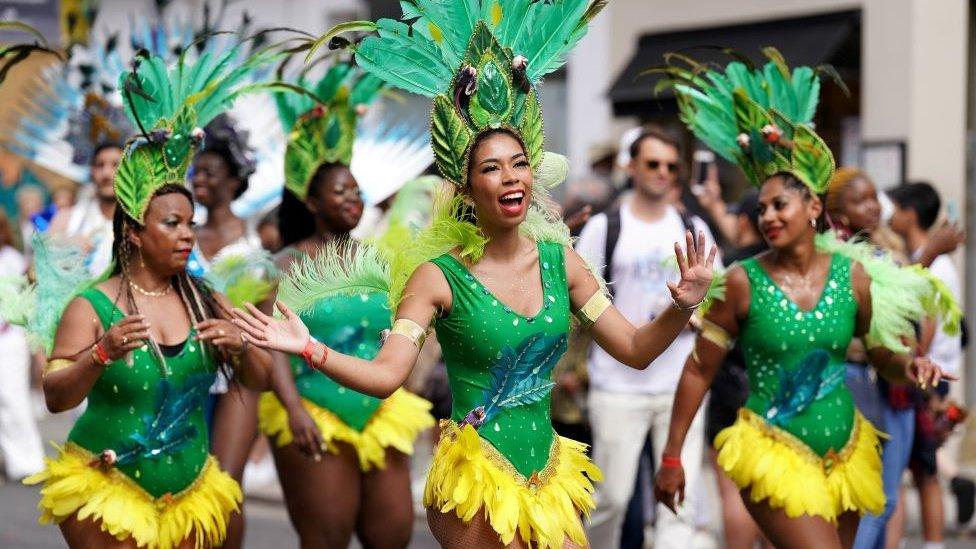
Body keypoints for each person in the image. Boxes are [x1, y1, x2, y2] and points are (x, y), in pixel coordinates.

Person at [232, 4, 717, 548]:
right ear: (466, 189)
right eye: (491, 168)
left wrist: (680, 307)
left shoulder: (563, 263)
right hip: (475, 482)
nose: (509, 177)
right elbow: (388, 375)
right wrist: (309, 349)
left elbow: (633, 348)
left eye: (518, 163)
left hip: (550, 477)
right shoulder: (437, 278)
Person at [652, 50, 958, 549]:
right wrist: (671, 457)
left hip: (847, 453)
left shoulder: (853, 275)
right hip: (772, 450)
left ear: (814, 208)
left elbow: (879, 354)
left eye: (781, 204)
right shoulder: (742, 282)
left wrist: (912, 366)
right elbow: (699, 369)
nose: (768, 216)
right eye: (763, 207)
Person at [21, 46, 275, 549]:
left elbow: (261, 379)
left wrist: (242, 347)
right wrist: (100, 354)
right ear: (135, 232)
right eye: (172, 224)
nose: (187, 236)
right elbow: (55, 396)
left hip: (191, 493)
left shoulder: (206, 299)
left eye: (191, 225)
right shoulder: (91, 305)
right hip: (106, 491)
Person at [254, 62, 434, 548]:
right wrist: (293, 410)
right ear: (312, 203)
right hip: (314, 409)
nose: (353, 200)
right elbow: (273, 342)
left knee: (391, 535)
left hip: (379, 409)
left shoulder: (375, 258)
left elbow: (403, 324)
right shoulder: (289, 263)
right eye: (340, 192)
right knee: (326, 538)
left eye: (356, 191)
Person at [577, 127, 722, 549]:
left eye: (672, 166)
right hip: (617, 383)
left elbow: (718, 292)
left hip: (680, 380)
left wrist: (695, 314)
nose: (663, 172)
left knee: (680, 501)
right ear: (632, 165)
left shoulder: (693, 226)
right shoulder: (607, 225)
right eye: (653, 163)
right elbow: (580, 299)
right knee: (613, 500)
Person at [189, 113, 266, 549]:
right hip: (191, 368)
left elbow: (264, 319)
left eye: (211, 173)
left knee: (224, 487)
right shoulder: (183, 233)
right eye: (197, 171)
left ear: (234, 180)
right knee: (191, 480)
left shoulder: (257, 242)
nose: (200, 180)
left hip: (238, 373)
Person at [887, 181, 965, 549]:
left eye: (894, 208)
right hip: (927, 374)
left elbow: (927, 324)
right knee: (919, 469)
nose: (888, 215)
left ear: (909, 215)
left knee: (922, 471)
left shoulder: (933, 262)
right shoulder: (919, 255)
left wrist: (916, 361)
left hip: (927, 376)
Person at [703, 189, 770, 549]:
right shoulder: (783, 266)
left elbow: (707, 327)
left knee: (732, 491)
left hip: (730, 386)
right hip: (773, 389)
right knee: (775, 489)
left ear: (744, 222)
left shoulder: (732, 268)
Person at [0, 210, 45, 481]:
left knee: (13, 399)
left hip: (9, 338)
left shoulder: (14, 260)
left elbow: (29, 304)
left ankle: (29, 460)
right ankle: (11, 458)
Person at [48, 142, 123, 276]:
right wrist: (64, 249)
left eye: (115, 165)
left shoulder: (138, 226)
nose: (106, 173)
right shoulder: (67, 218)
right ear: (92, 171)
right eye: (100, 165)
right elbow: (38, 270)